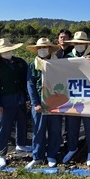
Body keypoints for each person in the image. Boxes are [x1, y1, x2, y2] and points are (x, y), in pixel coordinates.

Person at [0, 37, 31, 169]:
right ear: (0, 52)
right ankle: (1, 154)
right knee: (4, 128)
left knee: (22, 123)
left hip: (20, 99)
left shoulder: (20, 62)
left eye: (9, 50)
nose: (8, 52)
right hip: (5, 102)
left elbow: (28, 77)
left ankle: (21, 144)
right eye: (5, 51)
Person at [64, 31, 90, 166]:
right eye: (77, 43)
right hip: (73, 96)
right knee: (72, 124)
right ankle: (72, 148)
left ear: (86, 44)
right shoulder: (67, 56)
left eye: (81, 43)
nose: (79, 45)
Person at [25, 37, 60, 170]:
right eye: (39, 48)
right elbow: (30, 85)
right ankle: (37, 157)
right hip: (39, 104)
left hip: (55, 102)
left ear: (50, 49)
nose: (42, 50)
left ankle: (51, 154)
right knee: (38, 131)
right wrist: (35, 103)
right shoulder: (32, 65)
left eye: (44, 48)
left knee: (55, 130)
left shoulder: (59, 64)